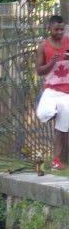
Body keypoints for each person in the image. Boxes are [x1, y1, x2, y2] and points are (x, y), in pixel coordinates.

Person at [35, 15, 69, 170]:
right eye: (56, 29)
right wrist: (52, 63)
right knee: (43, 113)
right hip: (51, 90)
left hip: (66, 93)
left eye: (62, 29)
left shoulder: (68, 42)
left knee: (61, 128)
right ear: (49, 29)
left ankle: (56, 160)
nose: (59, 32)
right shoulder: (44, 47)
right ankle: (55, 113)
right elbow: (39, 70)